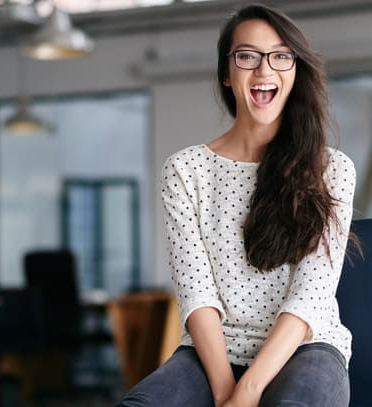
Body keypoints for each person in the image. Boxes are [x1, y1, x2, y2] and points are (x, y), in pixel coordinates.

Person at [117, 3, 358, 406]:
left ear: (295, 71)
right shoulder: (185, 170)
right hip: (211, 356)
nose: (264, 70)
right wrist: (226, 389)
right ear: (227, 74)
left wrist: (249, 391)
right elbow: (197, 295)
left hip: (306, 348)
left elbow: (310, 297)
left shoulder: (331, 168)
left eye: (281, 56)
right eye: (247, 56)